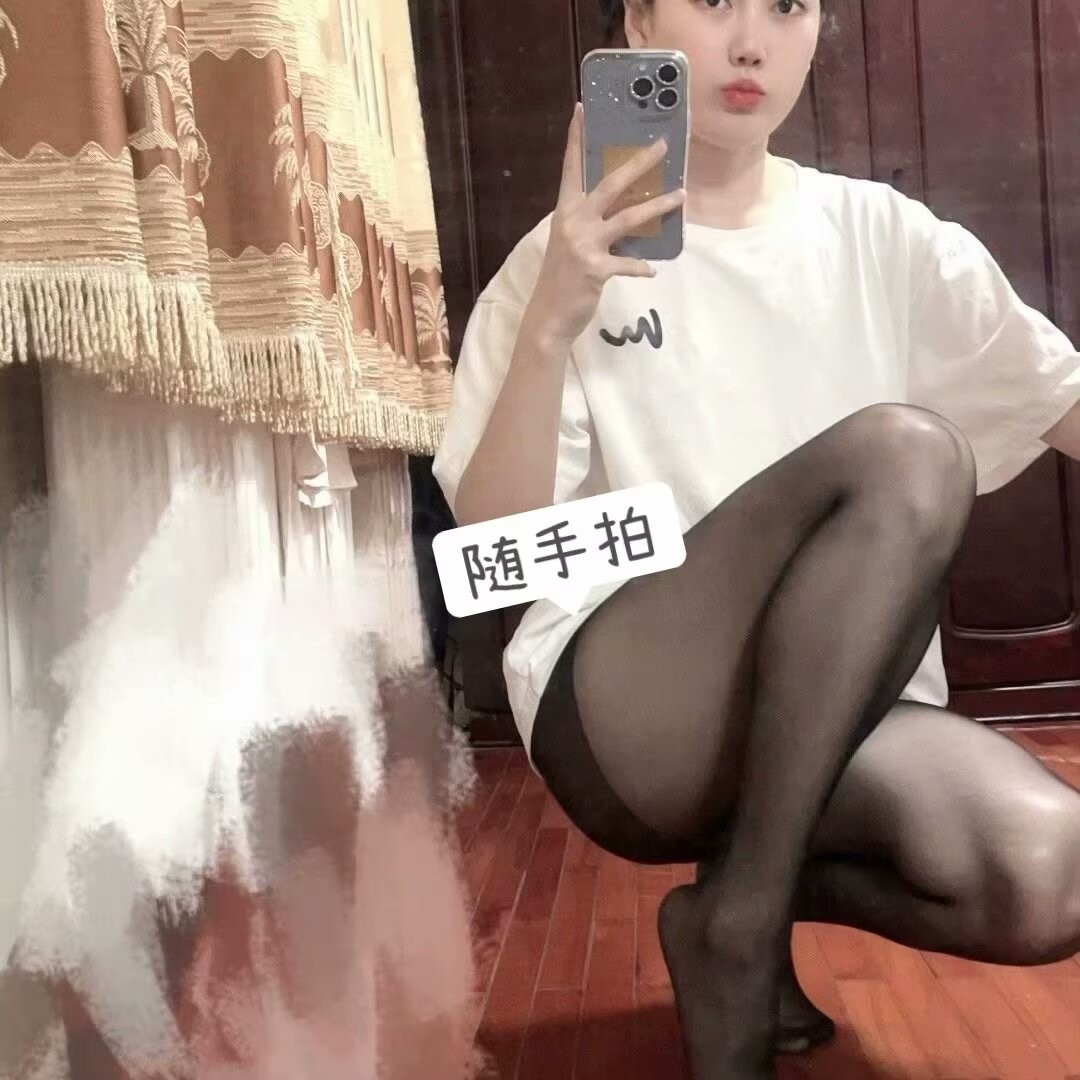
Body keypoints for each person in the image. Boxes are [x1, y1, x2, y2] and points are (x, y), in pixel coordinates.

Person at [433, 0, 1080, 1076]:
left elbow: (1064, 400)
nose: (750, 42)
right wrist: (553, 318)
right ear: (640, 20)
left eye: (786, 7)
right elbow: (493, 547)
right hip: (635, 711)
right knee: (909, 455)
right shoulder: (560, 261)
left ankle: (736, 904)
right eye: (713, 1)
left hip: (835, 708)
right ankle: (745, 931)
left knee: (1051, 873)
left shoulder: (885, 237)